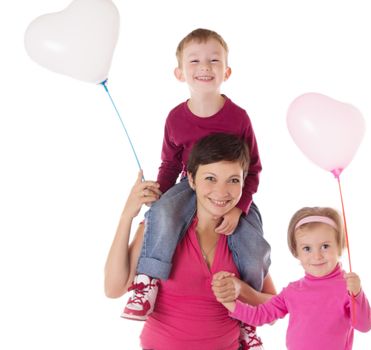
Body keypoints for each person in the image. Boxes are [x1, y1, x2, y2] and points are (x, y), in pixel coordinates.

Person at [121, 28, 270, 348]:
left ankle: (246, 318)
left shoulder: (238, 117)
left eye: (214, 60)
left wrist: (238, 207)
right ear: (180, 72)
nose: (205, 66)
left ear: (226, 71)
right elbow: (170, 165)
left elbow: (253, 168)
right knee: (161, 214)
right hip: (188, 188)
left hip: (234, 195)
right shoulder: (176, 118)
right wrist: (156, 197)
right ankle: (147, 283)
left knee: (253, 243)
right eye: (195, 61)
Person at [104, 133, 276, 349]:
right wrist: (126, 216)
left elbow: (273, 310)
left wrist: (242, 290)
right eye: (210, 178)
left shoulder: (244, 236)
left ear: (244, 183)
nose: (221, 192)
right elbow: (113, 289)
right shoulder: (163, 228)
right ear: (192, 180)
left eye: (233, 180)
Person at [214, 207, 371, 350]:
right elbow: (260, 315)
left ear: (340, 246)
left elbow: (365, 325)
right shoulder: (293, 291)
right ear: (296, 252)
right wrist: (229, 302)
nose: (317, 256)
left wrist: (357, 294)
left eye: (325, 246)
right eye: (307, 248)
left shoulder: (347, 288)